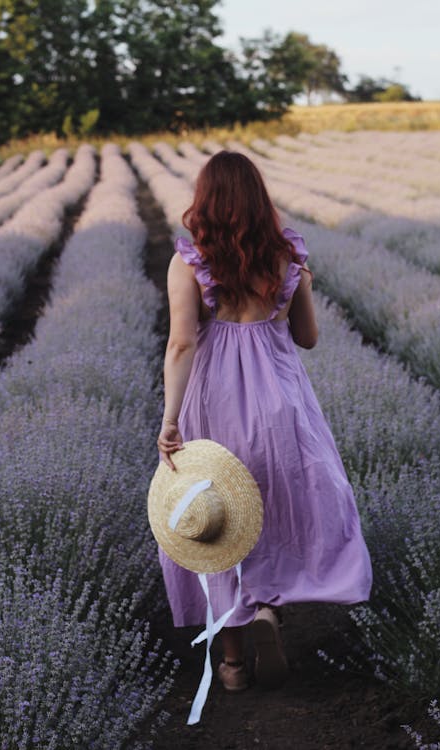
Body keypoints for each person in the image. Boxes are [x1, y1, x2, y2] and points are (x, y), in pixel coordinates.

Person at [156, 150, 373, 693]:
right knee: (280, 504)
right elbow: (307, 338)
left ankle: (230, 664)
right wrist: (300, 287)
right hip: (280, 400)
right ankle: (270, 608)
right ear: (259, 200)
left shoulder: (188, 262)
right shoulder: (287, 259)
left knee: (216, 519)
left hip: (215, 402)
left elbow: (182, 342)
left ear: (204, 200)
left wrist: (170, 420)